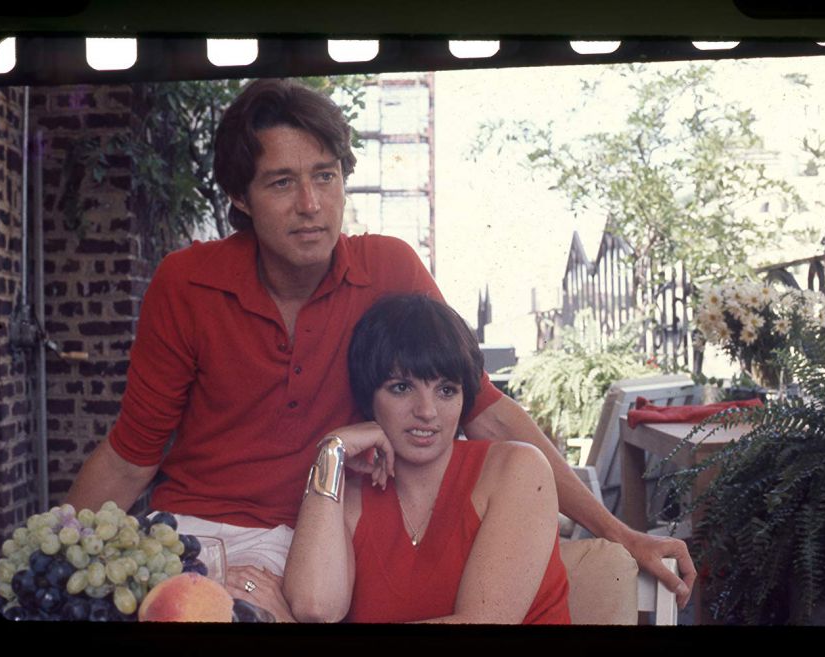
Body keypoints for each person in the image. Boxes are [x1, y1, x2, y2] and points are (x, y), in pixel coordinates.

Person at [65, 78, 695, 615]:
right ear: (240, 198)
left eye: (325, 176)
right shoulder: (186, 282)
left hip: (309, 535)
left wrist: (619, 532)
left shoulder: (389, 269)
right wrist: (48, 549)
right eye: (282, 183)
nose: (311, 205)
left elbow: (484, 408)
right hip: (188, 534)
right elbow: (130, 455)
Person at [281, 294, 571, 623]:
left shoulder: (518, 469)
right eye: (401, 388)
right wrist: (331, 451)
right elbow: (314, 607)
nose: (427, 411)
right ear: (368, 396)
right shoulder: (348, 497)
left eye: (446, 390)